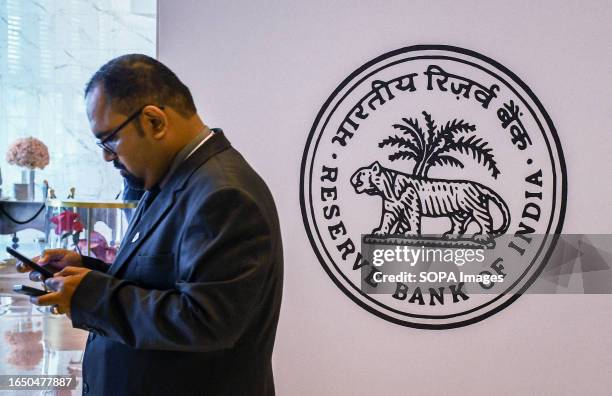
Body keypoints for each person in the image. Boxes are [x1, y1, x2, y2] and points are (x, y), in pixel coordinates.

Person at [17, 54, 283, 396]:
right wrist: (88, 270)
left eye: (108, 140)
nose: (107, 157)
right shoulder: (175, 179)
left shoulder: (224, 194)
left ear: (155, 121)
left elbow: (205, 321)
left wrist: (92, 296)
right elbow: (164, 279)